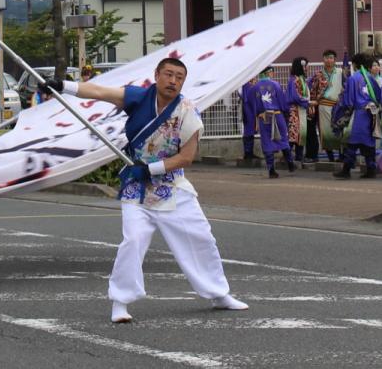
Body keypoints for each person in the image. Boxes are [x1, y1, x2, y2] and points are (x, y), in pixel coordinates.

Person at [42, 58, 247, 323]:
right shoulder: (139, 97)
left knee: (201, 237)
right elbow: (100, 92)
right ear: (157, 75)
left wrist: (150, 169)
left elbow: (186, 157)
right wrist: (62, 85)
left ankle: (219, 294)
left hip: (173, 186)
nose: (173, 81)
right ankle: (120, 301)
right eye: (169, 74)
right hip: (135, 189)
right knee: (134, 240)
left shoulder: (186, 111)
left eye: (179, 77)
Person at [332, 52, 380, 179]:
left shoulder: (353, 79)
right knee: (368, 143)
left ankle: (346, 170)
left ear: (355, 65)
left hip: (359, 114)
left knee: (352, 143)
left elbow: (348, 101)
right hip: (370, 113)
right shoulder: (370, 77)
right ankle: (371, 169)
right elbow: (378, 95)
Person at [250, 68, 294, 178]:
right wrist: (286, 112)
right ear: (268, 73)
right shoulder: (276, 85)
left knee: (267, 142)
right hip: (277, 114)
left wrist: (257, 113)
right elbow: (283, 102)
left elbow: (251, 103)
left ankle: (271, 170)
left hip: (263, 117)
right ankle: (290, 163)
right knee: (283, 138)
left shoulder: (254, 87)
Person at [309, 50, 343, 162]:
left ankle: (342, 156)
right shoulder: (318, 74)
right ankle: (331, 157)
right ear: (323, 59)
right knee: (325, 131)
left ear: (334, 60)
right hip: (323, 107)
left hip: (338, 107)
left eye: (331, 58)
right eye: (327, 57)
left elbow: (346, 87)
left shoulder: (340, 72)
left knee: (339, 130)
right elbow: (313, 91)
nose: (329, 60)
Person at [286, 57, 309, 164]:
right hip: (294, 110)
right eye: (305, 66)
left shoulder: (300, 79)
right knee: (293, 134)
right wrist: (307, 102)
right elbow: (295, 97)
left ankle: (298, 157)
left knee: (301, 133)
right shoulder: (294, 80)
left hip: (301, 110)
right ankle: (288, 157)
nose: (306, 68)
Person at [238, 75, 259, 161]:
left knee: (249, 131)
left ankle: (249, 152)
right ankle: (248, 153)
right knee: (248, 132)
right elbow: (249, 99)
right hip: (248, 110)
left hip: (249, 110)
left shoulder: (247, 85)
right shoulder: (247, 85)